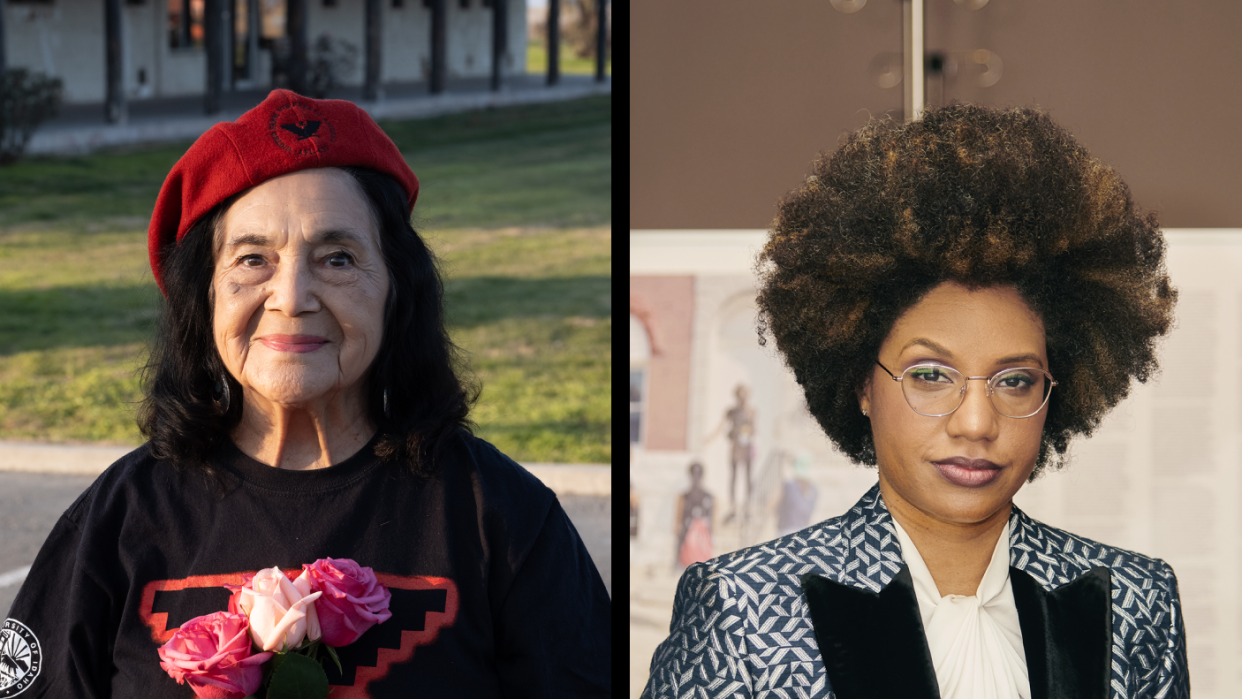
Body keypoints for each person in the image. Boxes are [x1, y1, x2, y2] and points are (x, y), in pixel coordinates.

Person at [2, 90, 610, 697]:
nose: (292, 297)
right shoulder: (119, 517)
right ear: (204, 297)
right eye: (252, 259)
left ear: (398, 289)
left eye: (338, 258)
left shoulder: (501, 516)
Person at [642, 104, 1187, 698]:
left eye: (1014, 381)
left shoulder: (1136, 602)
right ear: (861, 383)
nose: (976, 423)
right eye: (930, 375)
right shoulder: (740, 608)